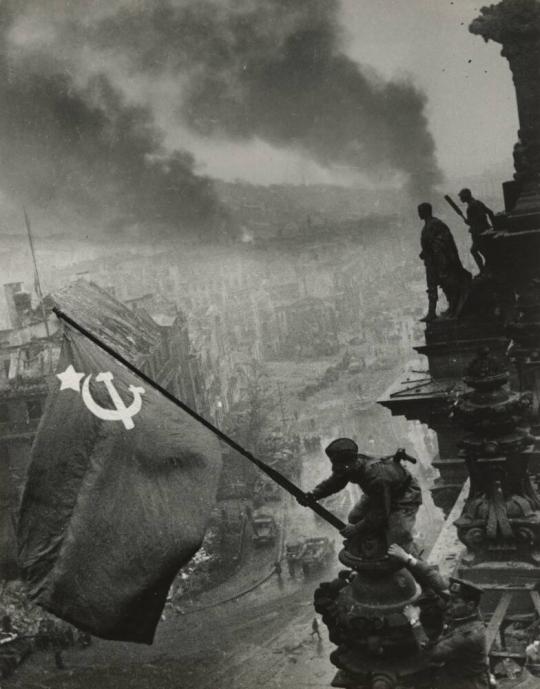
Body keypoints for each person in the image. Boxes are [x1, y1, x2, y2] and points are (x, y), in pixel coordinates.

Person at [389, 544, 489, 689]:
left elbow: (432, 654)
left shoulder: (470, 634)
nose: (450, 603)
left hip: (464, 683)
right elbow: (434, 578)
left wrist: (414, 620)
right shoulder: (466, 610)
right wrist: (407, 558)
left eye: (455, 602)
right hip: (452, 669)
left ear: (470, 605)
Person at [299, 439, 422, 550]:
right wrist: (314, 494)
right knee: (355, 517)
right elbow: (335, 482)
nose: (338, 470)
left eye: (341, 467)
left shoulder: (375, 477)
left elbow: (380, 512)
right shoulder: (350, 464)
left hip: (404, 495)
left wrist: (356, 529)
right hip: (379, 493)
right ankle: (377, 543)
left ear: (351, 462)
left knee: (397, 539)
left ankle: (415, 564)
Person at [418, 202, 471, 322]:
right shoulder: (428, 226)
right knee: (432, 287)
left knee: (447, 286)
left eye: (420, 211)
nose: (419, 214)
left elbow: (444, 241)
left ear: (426, 211)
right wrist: (424, 252)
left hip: (440, 262)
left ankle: (452, 308)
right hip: (431, 262)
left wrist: (438, 256)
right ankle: (432, 313)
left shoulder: (436, 224)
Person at [458, 188, 495, 273]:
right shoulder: (478, 202)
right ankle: (486, 268)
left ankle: (483, 270)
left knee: (475, 251)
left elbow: (475, 221)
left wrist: (468, 222)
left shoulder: (471, 207)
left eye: (461, 197)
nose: (460, 199)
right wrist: (494, 227)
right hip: (486, 230)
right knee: (484, 251)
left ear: (466, 196)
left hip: (478, 233)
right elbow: (490, 212)